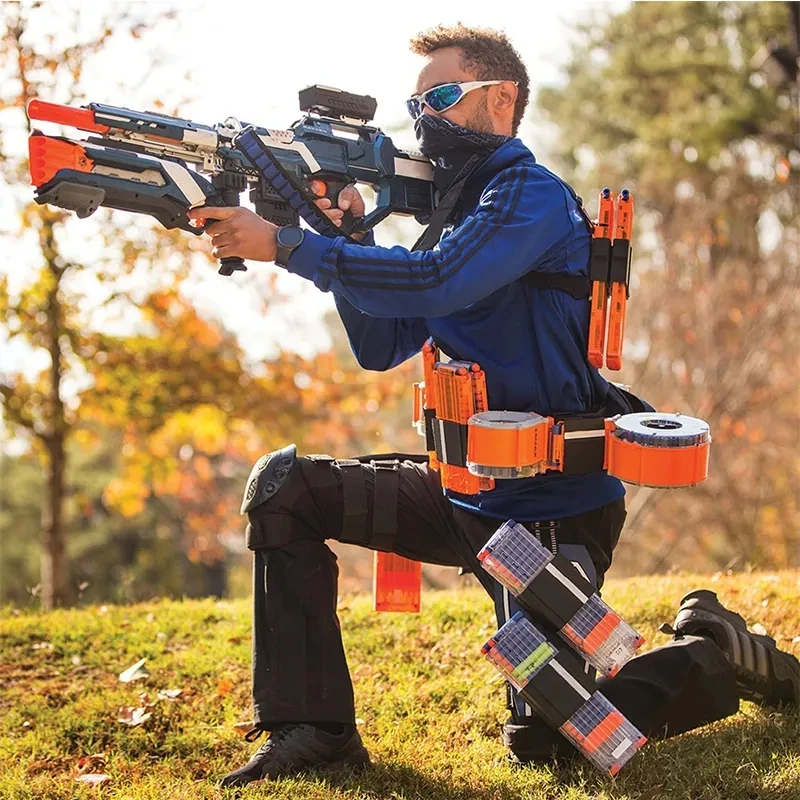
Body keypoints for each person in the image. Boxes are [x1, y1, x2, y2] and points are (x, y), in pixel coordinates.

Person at [187, 24, 800, 788]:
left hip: (549, 510)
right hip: (461, 495)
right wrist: (332, 231)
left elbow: (437, 282)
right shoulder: (456, 216)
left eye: (440, 97)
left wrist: (286, 245)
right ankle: (313, 729)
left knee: (549, 735)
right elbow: (382, 341)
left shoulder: (529, 197)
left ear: (500, 100)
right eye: (415, 104)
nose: (422, 120)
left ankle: (712, 650)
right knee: (285, 491)